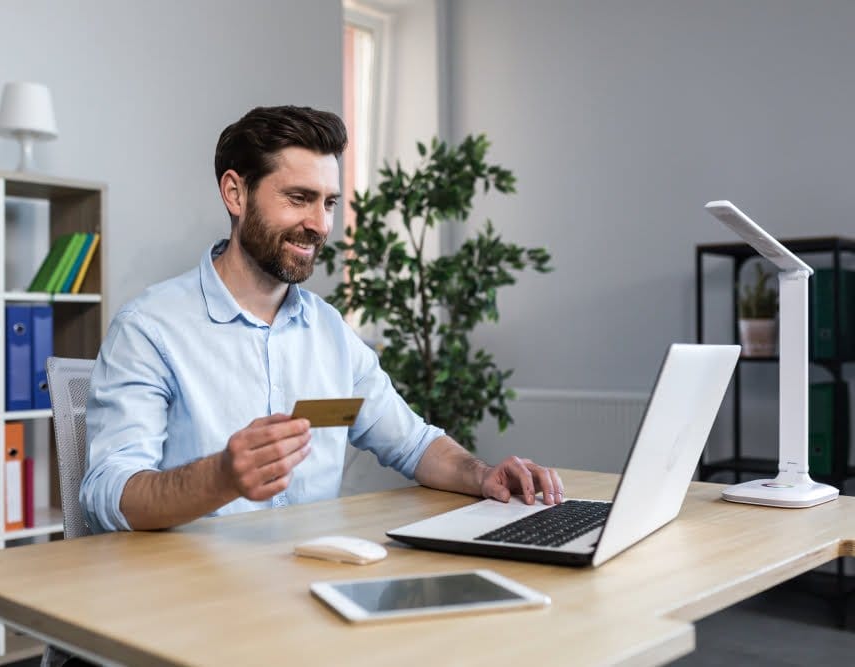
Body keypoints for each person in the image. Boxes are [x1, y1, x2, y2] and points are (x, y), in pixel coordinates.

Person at [80, 105, 564, 533]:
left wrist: (482, 475)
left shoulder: (330, 332)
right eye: (298, 198)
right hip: (192, 602)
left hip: (304, 588)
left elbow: (413, 444)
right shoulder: (150, 328)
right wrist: (222, 477)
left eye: (328, 202)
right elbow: (109, 493)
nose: (320, 224)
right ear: (235, 193)